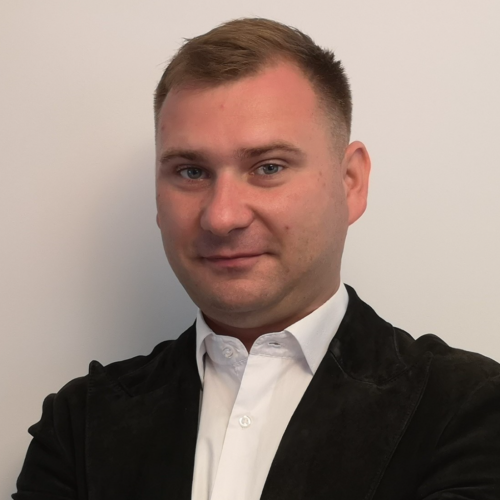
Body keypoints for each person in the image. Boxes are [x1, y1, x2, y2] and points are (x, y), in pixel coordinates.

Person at [14, 18, 500, 500]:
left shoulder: (468, 408)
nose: (221, 217)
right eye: (191, 172)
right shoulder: (79, 424)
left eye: (268, 167)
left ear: (351, 182)